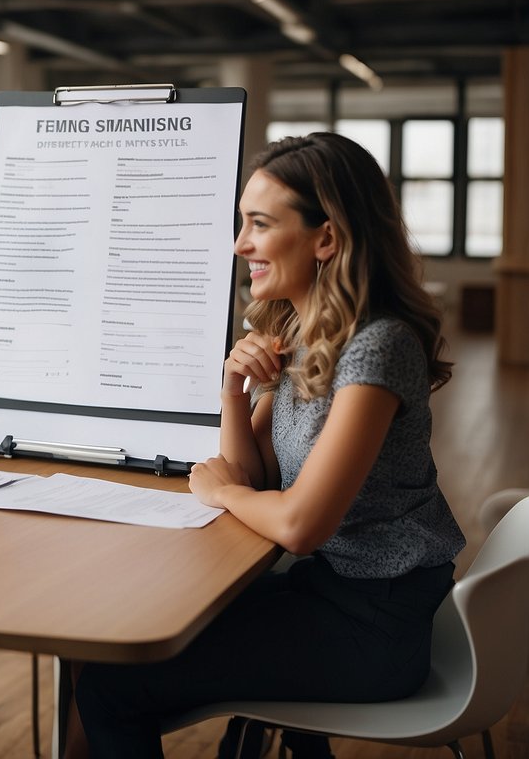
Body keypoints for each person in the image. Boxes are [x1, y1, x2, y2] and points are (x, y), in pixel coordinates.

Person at [73, 131, 466, 759]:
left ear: (327, 238)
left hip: (375, 623)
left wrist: (221, 489)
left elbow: (300, 523)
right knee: (128, 630)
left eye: (259, 224)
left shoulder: (377, 345)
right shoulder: (301, 328)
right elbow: (258, 475)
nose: (240, 245)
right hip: (331, 590)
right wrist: (233, 389)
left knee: (109, 688)